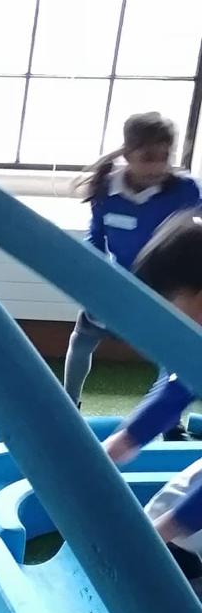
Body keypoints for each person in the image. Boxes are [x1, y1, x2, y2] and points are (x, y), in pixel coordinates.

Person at [64, 113, 199, 424]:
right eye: (148, 158)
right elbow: (96, 236)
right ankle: (68, 406)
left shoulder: (184, 191)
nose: (156, 167)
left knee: (172, 355)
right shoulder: (106, 189)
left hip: (166, 291)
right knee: (82, 339)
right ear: (127, 154)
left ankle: (171, 423)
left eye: (164, 157)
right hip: (118, 285)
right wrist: (92, 276)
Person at [103, 211, 202, 595]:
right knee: (164, 512)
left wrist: (162, 534)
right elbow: (176, 389)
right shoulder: (192, 339)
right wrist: (117, 446)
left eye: (168, 312)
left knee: (173, 525)